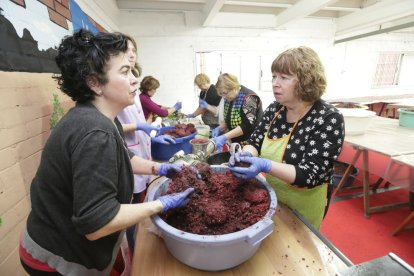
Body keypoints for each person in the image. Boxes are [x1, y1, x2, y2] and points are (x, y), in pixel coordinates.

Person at [19, 29, 194, 276]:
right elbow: (96, 223)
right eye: (124, 72)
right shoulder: (94, 132)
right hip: (56, 259)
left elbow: (124, 158)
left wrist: (160, 168)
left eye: (133, 71)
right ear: (94, 83)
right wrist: (160, 204)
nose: (135, 79)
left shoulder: (102, 118)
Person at [229, 46, 345, 230]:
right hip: (272, 196)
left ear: (306, 81)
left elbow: (310, 174)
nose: (275, 83)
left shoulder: (328, 118)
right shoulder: (275, 109)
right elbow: (255, 142)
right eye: (274, 76)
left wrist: (265, 165)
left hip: (303, 206)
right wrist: (246, 154)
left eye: (284, 77)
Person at [116, 34, 175, 253]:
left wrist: (150, 136)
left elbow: (140, 119)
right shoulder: (93, 124)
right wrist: (141, 127)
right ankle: (136, 249)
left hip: (137, 154)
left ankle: (137, 242)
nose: (131, 55)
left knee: (139, 201)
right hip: (130, 160)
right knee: (132, 209)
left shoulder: (132, 89)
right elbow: (115, 130)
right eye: (126, 51)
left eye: (134, 51)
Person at [211, 73, 263, 152]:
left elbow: (247, 125)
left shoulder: (250, 98)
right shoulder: (229, 98)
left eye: (225, 93)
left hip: (250, 145)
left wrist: (225, 136)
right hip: (236, 143)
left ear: (234, 87)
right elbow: (229, 117)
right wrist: (220, 128)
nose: (223, 97)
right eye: (221, 94)